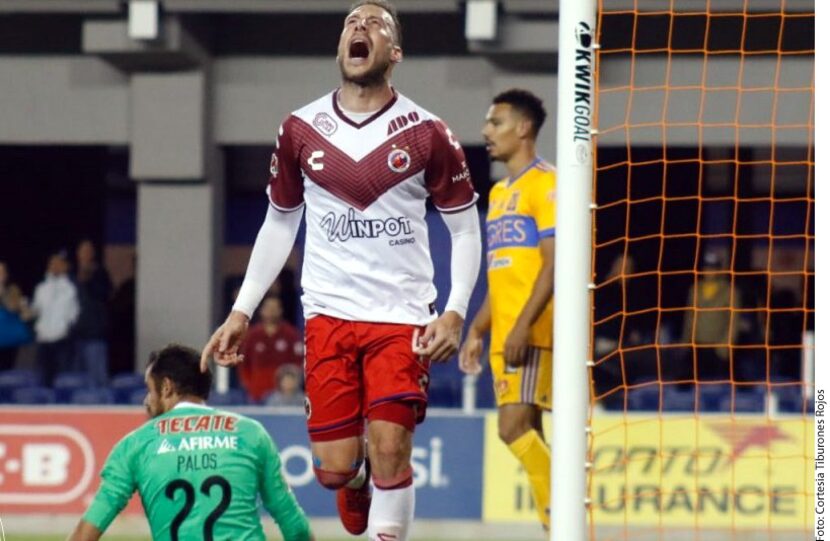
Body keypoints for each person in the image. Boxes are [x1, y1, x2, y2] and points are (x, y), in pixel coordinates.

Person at [201, 2, 482, 539]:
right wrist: (242, 310)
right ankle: (353, 482)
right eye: (351, 22)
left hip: (402, 316)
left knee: (391, 450)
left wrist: (453, 311)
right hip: (328, 314)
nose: (360, 27)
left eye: (376, 24)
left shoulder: (428, 134)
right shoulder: (300, 129)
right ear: (340, 48)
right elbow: (279, 225)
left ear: (394, 53)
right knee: (333, 468)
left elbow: (465, 230)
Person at [67, 344, 314, 541]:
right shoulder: (250, 434)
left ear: (166, 387)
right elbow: (295, 527)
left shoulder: (135, 445)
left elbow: (85, 535)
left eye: (149, 389)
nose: (146, 400)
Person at [459, 89, 554, 530]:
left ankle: (569, 518)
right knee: (529, 432)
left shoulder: (548, 183)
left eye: (495, 123)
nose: (485, 132)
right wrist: (478, 331)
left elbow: (555, 265)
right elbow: (504, 274)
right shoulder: (498, 195)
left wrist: (521, 327)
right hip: (506, 333)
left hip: (533, 333)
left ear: (524, 128)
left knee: (512, 428)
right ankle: (556, 525)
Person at [238, 295, 304, 403]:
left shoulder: (291, 334)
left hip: (284, 395)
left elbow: (298, 363)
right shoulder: (252, 335)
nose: (271, 312)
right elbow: (243, 363)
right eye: (268, 308)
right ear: (261, 311)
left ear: (281, 310)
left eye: (275, 308)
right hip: (256, 394)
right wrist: (248, 384)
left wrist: (291, 385)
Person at [31, 250, 79, 386]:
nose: (54, 266)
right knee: (43, 378)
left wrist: (67, 329)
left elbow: (75, 314)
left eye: (58, 263)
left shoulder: (71, 288)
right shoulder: (41, 288)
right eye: (52, 263)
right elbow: (36, 311)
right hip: (44, 340)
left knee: (63, 380)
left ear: (65, 266)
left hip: (62, 341)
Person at [72, 239, 113, 386]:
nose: (85, 254)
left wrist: (88, 279)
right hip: (74, 337)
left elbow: (105, 295)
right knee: (75, 381)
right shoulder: (71, 277)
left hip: (95, 336)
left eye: (88, 251)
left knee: (97, 380)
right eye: (82, 251)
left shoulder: (100, 274)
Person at [0, 261, 33, 370]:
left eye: (2, 271)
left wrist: (2, 292)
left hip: (9, 340)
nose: (1, 274)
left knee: (8, 372)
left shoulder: (13, 289)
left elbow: (13, 307)